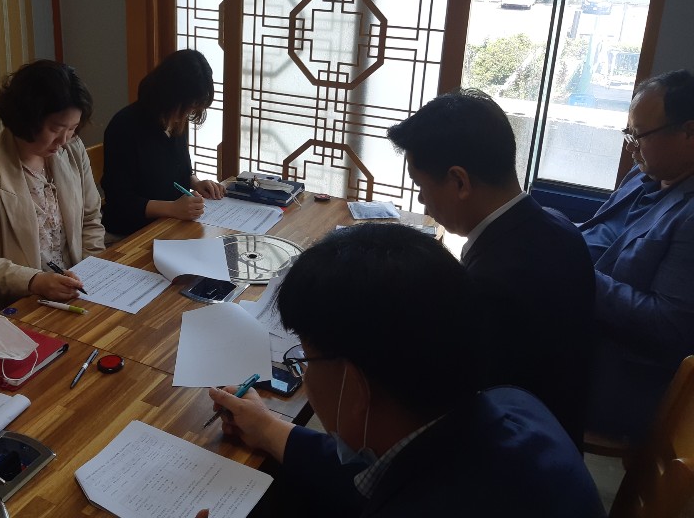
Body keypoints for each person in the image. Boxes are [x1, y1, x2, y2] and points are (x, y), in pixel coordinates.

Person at [206, 223, 604, 517]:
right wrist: (267, 427)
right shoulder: (511, 405)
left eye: (305, 360)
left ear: (355, 388)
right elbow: (376, 475)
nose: (305, 377)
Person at [386, 88, 595, 448]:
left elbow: (455, 398)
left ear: (459, 182)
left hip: (518, 457)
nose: (420, 199)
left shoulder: (495, 283)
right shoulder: (557, 226)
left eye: (420, 185)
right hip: (555, 430)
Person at [579, 69, 694, 442]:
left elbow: (668, 325)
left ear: (689, 132)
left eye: (639, 135)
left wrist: (576, 273)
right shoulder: (643, 174)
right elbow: (600, 232)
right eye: (628, 133)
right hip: (578, 323)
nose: (631, 146)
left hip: (617, 372)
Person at [0, 60, 105, 319]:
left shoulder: (72, 150)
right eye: (56, 129)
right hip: (19, 307)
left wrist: (92, 272)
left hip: (78, 293)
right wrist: (35, 281)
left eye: (72, 129)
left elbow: (90, 218)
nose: (64, 140)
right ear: (28, 119)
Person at [101, 49, 225, 237]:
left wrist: (197, 183)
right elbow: (120, 200)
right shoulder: (125, 127)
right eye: (186, 107)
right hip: (132, 232)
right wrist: (173, 208)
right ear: (169, 95)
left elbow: (177, 171)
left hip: (171, 224)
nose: (187, 115)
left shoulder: (175, 122)